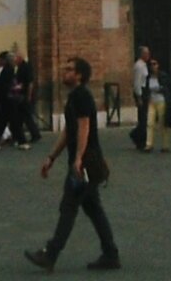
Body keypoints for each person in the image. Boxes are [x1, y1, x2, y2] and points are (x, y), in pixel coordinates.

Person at [25, 56, 117, 272]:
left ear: (79, 75)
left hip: (84, 163)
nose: (64, 72)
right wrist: (51, 157)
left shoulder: (82, 96)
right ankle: (111, 254)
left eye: (69, 70)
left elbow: (84, 128)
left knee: (69, 207)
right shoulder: (75, 97)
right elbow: (69, 131)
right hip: (85, 161)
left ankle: (51, 254)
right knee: (93, 208)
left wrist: (78, 158)